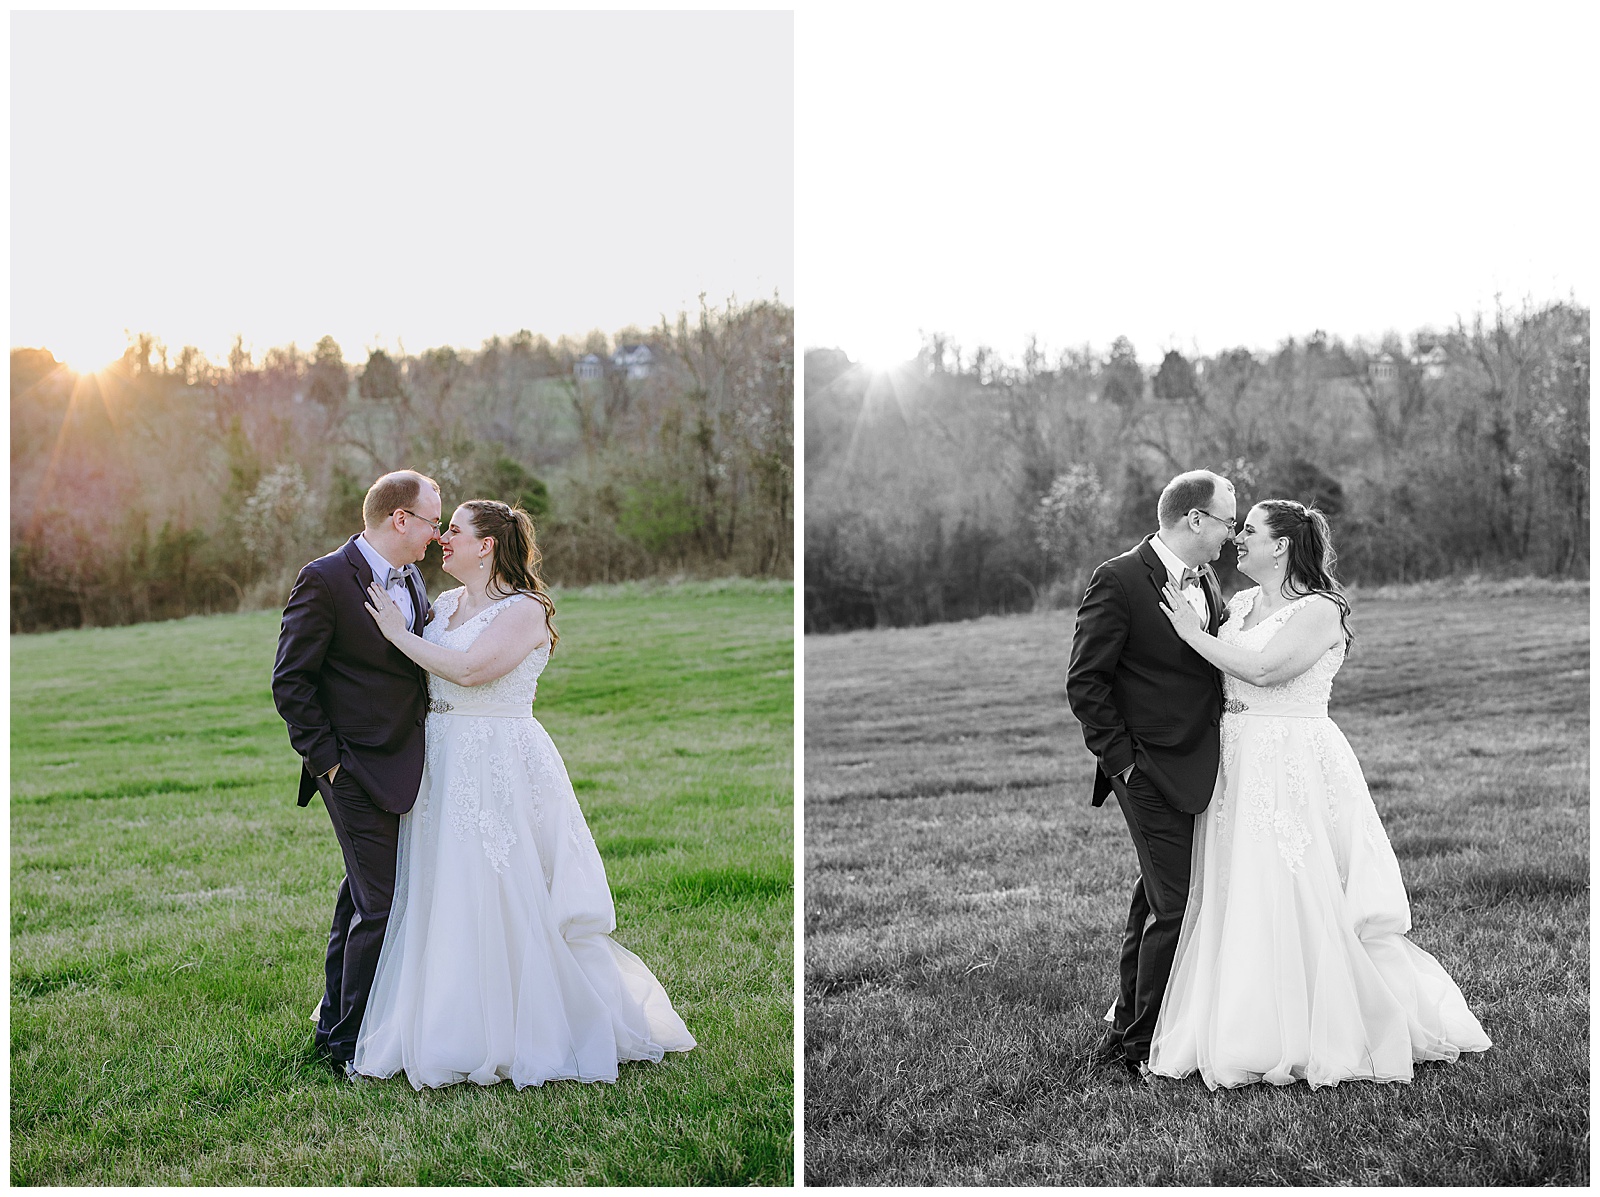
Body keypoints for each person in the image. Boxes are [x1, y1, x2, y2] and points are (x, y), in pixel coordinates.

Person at [350, 499, 695, 1088]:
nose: (442, 541)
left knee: (503, 885)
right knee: (444, 887)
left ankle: (524, 1027)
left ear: (486, 546)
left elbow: (470, 671)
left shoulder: (525, 611)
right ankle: (442, 1021)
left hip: (498, 759)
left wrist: (393, 632)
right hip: (442, 759)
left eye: (453, 531)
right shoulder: (445, 605)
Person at [1148, 499, 1491, 1089]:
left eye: (1249, 531)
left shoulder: (1321, 611)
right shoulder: (1241, 604)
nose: (1238, 539)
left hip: (1293, 760)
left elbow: (1263, 672)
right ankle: (1244, 1024)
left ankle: (1320, 1025)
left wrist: (1188, 633)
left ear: (1280, 545)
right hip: (1237, 761)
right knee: (1241, 888)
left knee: (1297, 884)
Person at [271, 470, 443, 1077]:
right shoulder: (325, 579)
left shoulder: (414, 579)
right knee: (382, 902)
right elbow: (290, 682)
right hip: (350, 768)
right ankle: (348, 1044)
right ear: (400, 519)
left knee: (361, 897)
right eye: (431, 521)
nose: (436, 535)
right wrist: (328, 763)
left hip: (403, 760)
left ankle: (332, 1028)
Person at [1066, 469, 1236, 1079]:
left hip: (1199, 762)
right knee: (1177, 903)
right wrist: (1122, 765)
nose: (1231, 534)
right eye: (1226, 521)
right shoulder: (1118, 579)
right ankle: (1140, 1045)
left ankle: (1123, 1028)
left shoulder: (1209, 580)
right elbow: (1086, 682)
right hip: (1145, 770)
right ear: (1195, 519)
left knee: (1155, 898)